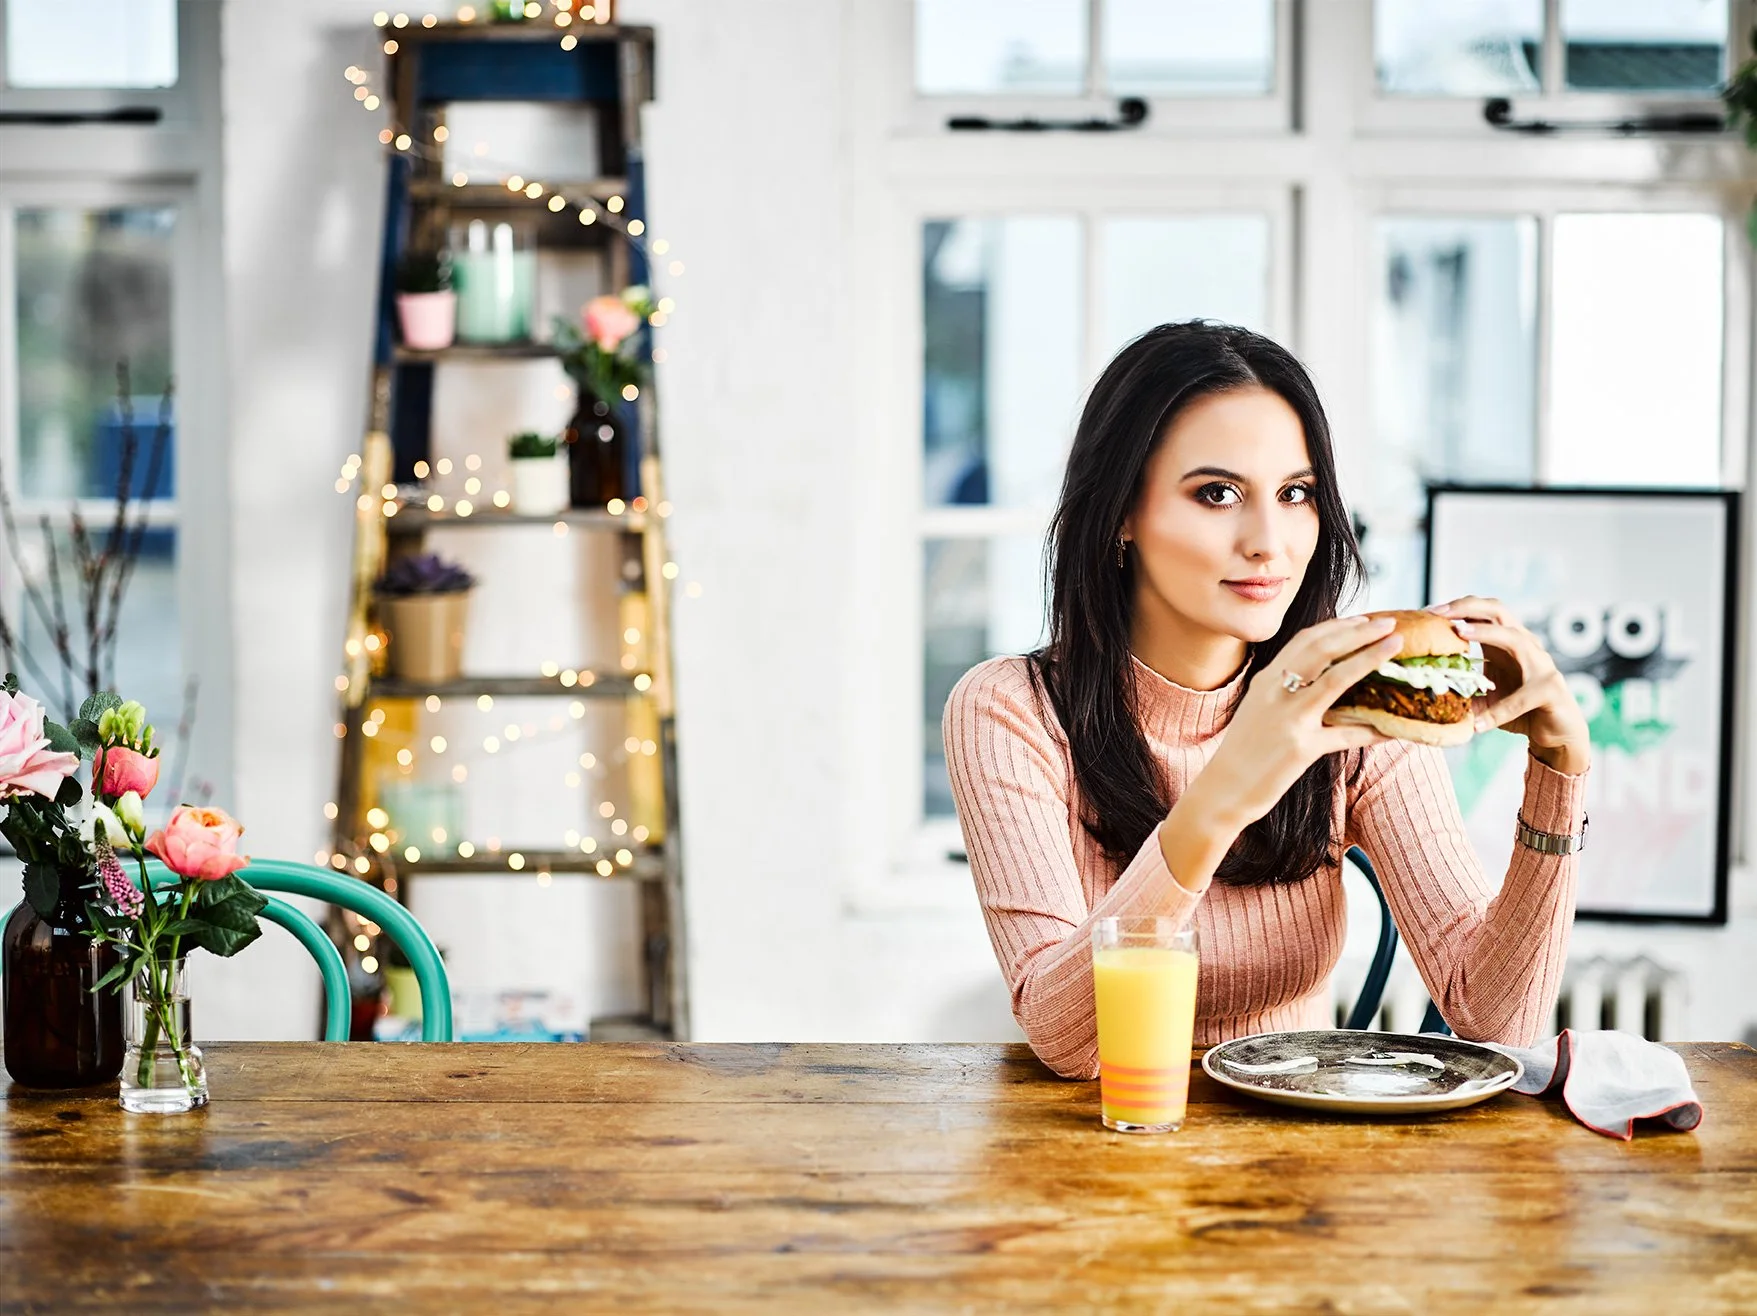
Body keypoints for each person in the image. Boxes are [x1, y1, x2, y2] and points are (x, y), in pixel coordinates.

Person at [943, 321, 1591, 1079]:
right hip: (1102, 1144)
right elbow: (1069, 1044)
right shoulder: (1010, 711)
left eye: (1295, 494)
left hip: (1300, 1158)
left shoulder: (1356, 711)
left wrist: (1559, 772)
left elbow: (1494, 1019)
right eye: (1216, 494)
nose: (1269, 541)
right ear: (1122, 512)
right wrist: (1224, 792)